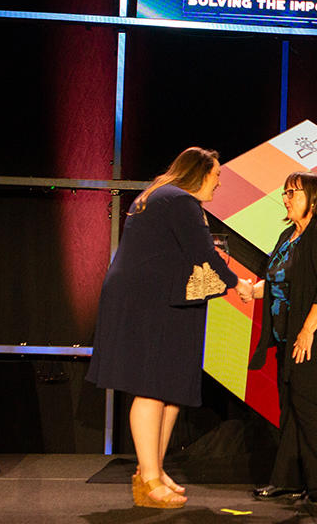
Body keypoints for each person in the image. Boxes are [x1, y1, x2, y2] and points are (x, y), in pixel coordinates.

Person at [87, 147, 254, 509]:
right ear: (199, 173)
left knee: (172, 390)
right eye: (216, 175)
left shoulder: (161, 197)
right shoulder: (179, 200)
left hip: (164, 299)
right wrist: (238, 284)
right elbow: (202, 255)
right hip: (147, 302)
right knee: (151, 387)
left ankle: (153, 471)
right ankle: (148, 478)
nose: (219, 182)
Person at [249, 171, 317, 507]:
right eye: (284, 192)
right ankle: (288, 480)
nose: (286, 198)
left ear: (314, 196)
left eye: (293, 192)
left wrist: (308, 330)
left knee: (307, 399)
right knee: (290, 402)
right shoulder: (288, 236)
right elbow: (279, 280)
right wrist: (249, 290)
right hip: (291, 330)